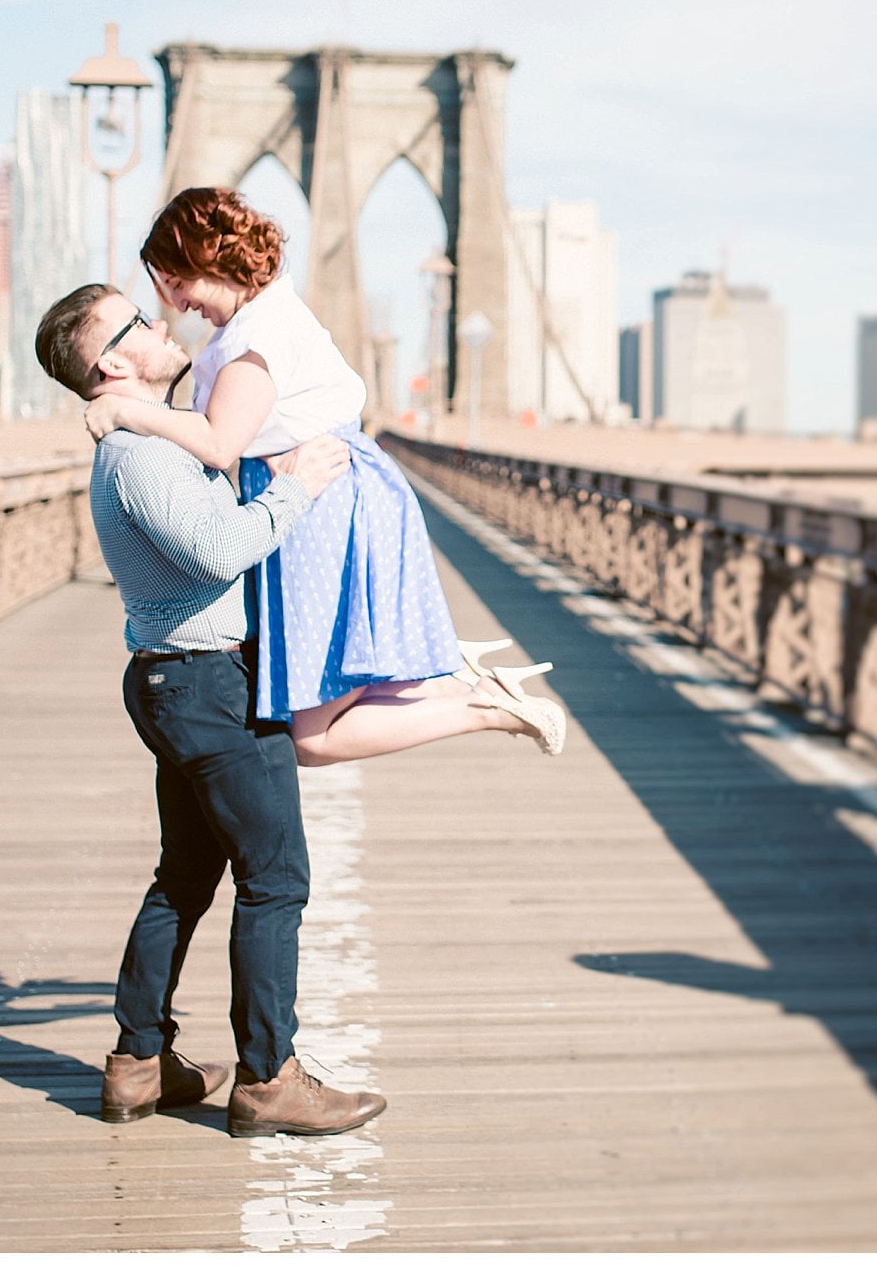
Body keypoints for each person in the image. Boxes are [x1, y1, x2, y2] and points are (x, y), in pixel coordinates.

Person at [33, 280, 384, 1139]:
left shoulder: (142, 437)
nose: (162, 325)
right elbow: (221, 548)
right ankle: (269, 1081)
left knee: (186, 877)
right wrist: (296, 483)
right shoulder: (139, 457)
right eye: (141, 321)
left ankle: (139, 1064)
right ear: (114, 361)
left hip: (178, 683)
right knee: (276, 879)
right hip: (206, 687)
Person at [83, 185, 567, 763]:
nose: (176, 303)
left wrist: (123, 410)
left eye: (175, 283)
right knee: (309, 718)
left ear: (205, 260)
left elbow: (218, 444)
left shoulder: (254, 341)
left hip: (321, 505)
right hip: (318, 500)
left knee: (312, 738)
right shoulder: (255, 324)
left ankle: (486, 704)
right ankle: (430, 672)